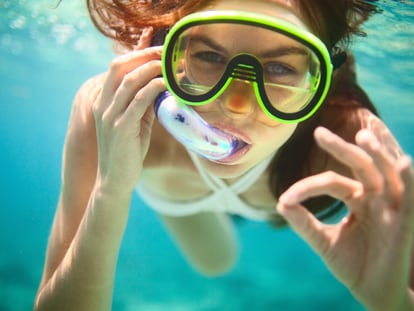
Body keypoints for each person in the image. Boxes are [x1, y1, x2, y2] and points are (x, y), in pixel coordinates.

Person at [34, 0, 414, 310]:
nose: (235, 105)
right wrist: (110, 189)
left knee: (215, 261)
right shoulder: (112, 110)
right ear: (164, 51)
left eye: (281, 67)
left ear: (321, 80)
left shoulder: (349, 138)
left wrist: (395, 305)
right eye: (211, 57)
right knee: (215, 262)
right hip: (181, 199)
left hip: (273, 189)